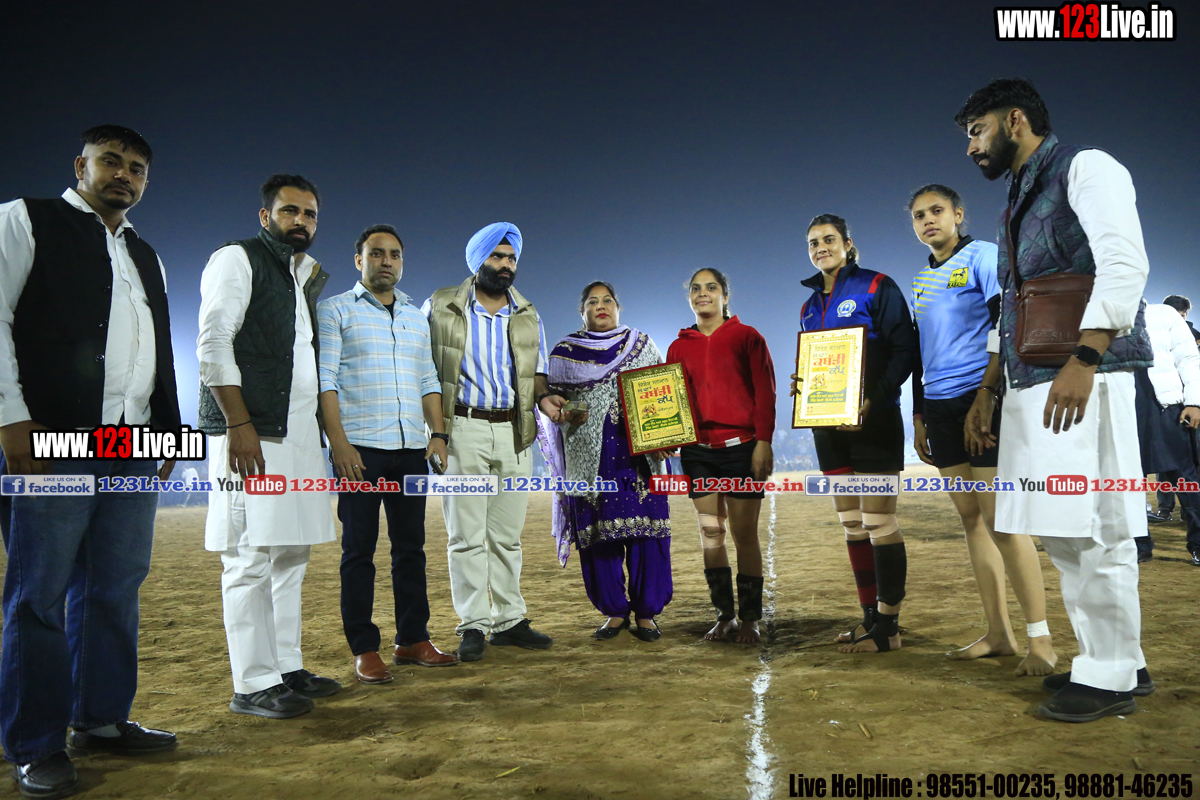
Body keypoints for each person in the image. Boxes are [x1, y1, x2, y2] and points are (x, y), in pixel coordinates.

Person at [957, 78, 1156, 722]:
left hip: (1080, 374)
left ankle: (1108, 676)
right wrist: (991, 388)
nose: (971, 147)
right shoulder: (1020, 193)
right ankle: (1120, 659)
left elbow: (1124, 263)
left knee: (1093, 527)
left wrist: (1087, 356)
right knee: (1066, 527)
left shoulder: (1086, 166)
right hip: (1035, 378)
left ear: (1015, 120)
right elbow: (1014, 301)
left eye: (978, 131)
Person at [0, 125, 182, 800]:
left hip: (131, 446)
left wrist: (167, 431)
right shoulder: (25, 220)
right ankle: (35, 743)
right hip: (54, 440)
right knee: (40, 593)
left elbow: (156, 348)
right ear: (81, 165)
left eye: (137, 168)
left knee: (114, 587)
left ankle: (100, 720)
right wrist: (10, 415)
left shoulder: (145, 254)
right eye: (111, 161)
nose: (124, 175)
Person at [198, 174, 340, 719]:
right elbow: (213, 341)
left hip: (297, 435)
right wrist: (238, 422)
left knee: (290, 555)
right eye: (289, 211)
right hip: (251, 434)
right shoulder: (237, 259)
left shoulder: (301, 277)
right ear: (265, 216)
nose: (301, 221)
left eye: (310, 213)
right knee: (248, 557)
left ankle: (285, 667)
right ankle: (252, 682)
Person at [907, 184, 1057, 675]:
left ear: (958, 214)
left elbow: (1006, 323)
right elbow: (922, 353)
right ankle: (998, 634)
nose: (928, 221)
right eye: (919, 216)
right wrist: (919, 414)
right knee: (971, 519)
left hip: (981, 398)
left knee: (1002, 521)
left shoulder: (983, 257)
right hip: (939, 405)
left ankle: (1041, 640)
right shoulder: (921, 280)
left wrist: (987, 394)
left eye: (936, 211)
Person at [317, 224, 458, 685]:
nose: (386, 261)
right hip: (360, 451)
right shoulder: (335, 310)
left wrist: (438, 434)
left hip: (411, 450)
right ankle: (364, 648)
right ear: (359, 260)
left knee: (411, 548)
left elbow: (428, 379)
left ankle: (412, 639)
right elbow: (325, 379)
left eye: (395, 254)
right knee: (359, 550)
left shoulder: (416, 317)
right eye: (376, 253)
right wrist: (338, 443)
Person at [424, 222, 563, 662]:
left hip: (513, 432)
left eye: (511, 258)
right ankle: (473, 624)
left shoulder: (528, 314)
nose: (506, 265)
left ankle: (509, 621)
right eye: (497, 256)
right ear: (478, 260)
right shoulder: (441, 305)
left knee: (506, 536)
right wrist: (436, 433)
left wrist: (546, 400)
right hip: (461, 429)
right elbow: (425, 371)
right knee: (466, 536)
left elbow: (536, 374)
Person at [793, 214, 918, 654]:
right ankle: (869, 618)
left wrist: (872, 400)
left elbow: (905, 351)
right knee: (852, 525)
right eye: (813, 243)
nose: (821, 248)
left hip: (874, 423)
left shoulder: (877, 285)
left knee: (879, 522)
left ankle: (889, 626)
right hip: (829, 429)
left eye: (829, 239)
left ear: (847, 243)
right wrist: (803, 386)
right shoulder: (809, 306)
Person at [535, 282, 672, 641]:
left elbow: (663, 394)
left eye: (607, 300)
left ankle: (646, 613)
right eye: (592, 302)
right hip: (588, 459)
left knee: (646, 535)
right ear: (581, 311)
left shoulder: (642, 345)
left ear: (618, 307)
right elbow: (553, 401)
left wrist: (665, 437)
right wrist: (569, 409)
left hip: (639, 458)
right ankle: (614, 611)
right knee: (598, 537)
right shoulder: (565, 352)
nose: (601, 306)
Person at [667, 268, 775, 644]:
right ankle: (724, 615)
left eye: (711, 287)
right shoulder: (678, 347)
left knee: (744, 535)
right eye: (696, 288)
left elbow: (765, 393)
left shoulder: (748, 337)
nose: (703, 293)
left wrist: (764, 442)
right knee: (711, 533)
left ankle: (750, 619)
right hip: (697, 454)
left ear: (725, 296)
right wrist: (666, 436)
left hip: (741, 449)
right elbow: (673, 401)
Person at [1131, 302, 1200, 566]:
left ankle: (1198, 543)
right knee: (1128, 482)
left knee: (1185, 479)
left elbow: (1189, 358)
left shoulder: (1164, 314)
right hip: (1121, 410)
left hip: (1165, 407)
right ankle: (1138, 544)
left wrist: (1194, 402)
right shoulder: (1099, 316)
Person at [1149, 294, 1200, 523]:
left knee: (1176, 463)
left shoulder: (1191, 333)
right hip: (1176, 402)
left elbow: (1190, 362)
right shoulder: (1193, 334)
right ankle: (1174, 511)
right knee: (1182, 463)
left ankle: (1167, 509)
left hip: (1176, 403)